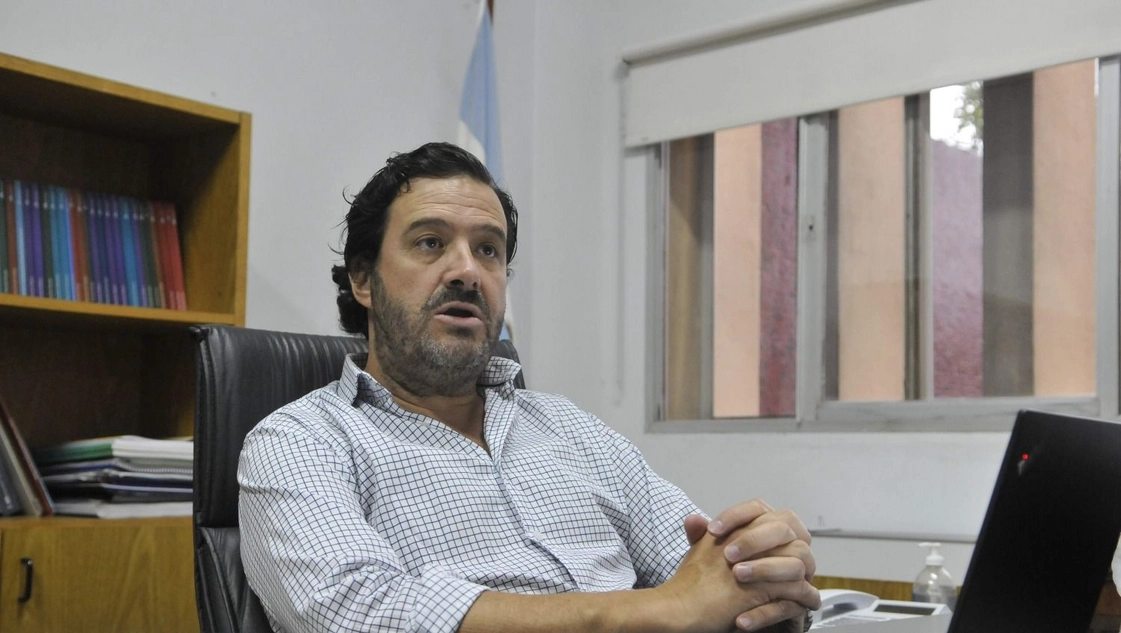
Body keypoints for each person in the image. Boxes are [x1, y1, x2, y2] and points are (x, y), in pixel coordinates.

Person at [238, 142, 821, 633]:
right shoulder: (300, 440)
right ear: (364, 279)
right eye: (430, 242)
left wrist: (762, 576)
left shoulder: (567, 425)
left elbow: (699, 574)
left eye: (488, 250)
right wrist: (663, 609)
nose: (468, 271)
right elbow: (355, 611)